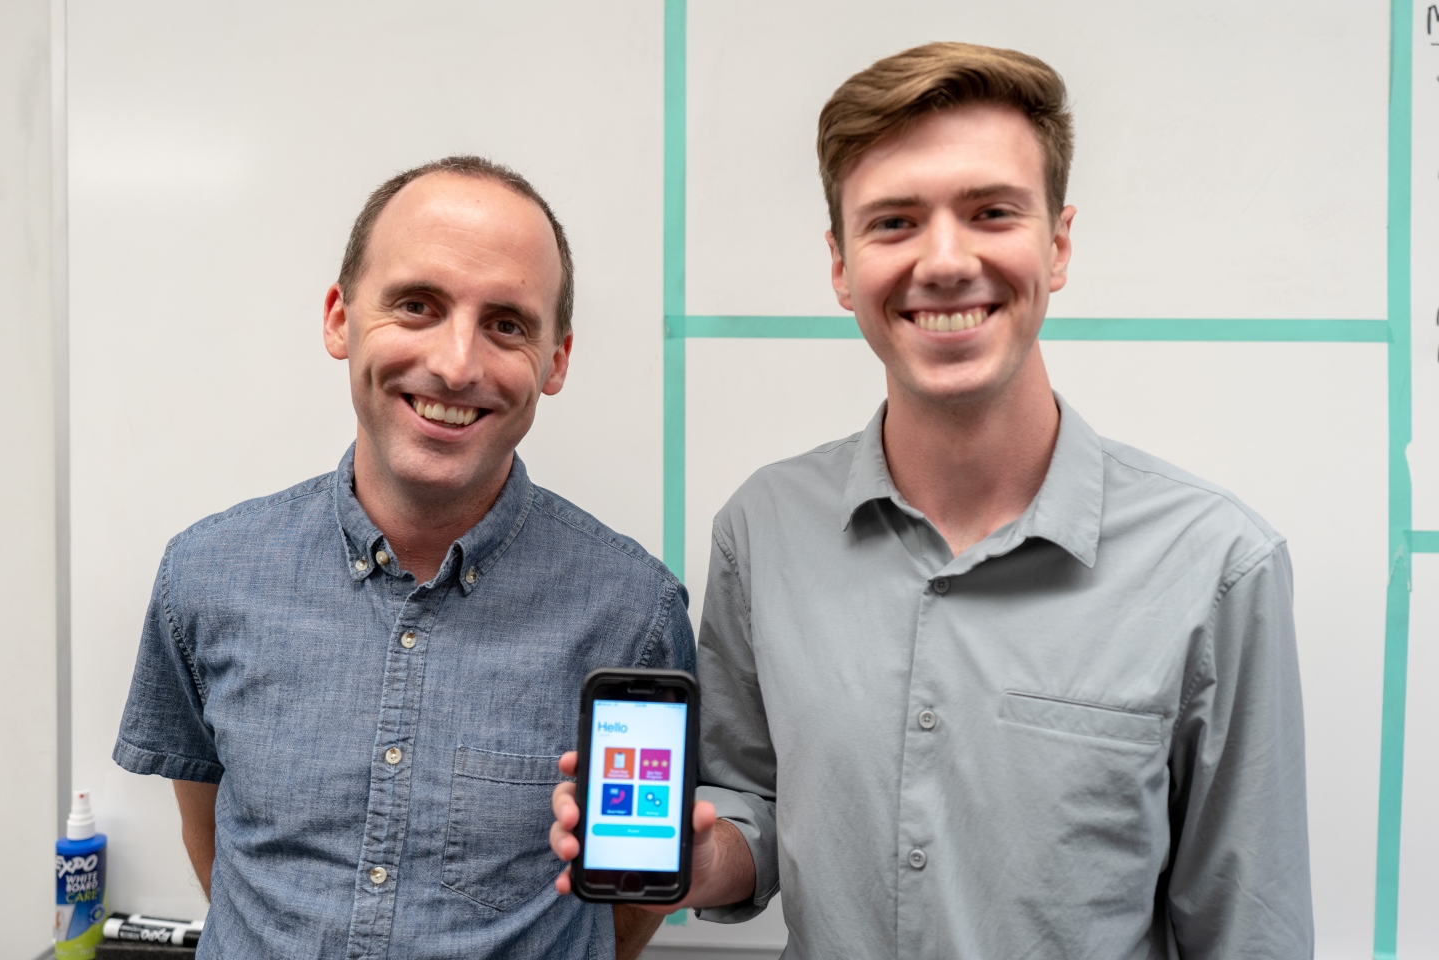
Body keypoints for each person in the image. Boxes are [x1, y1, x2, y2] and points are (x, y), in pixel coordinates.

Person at [551, 42, 1313, 958]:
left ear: (1058, 243)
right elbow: (751, 814)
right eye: (894, 223)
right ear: (840, 265)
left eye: (992, 212)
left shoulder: (1219, 568)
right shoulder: (762, 530)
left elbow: (1248, 931)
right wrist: (702, 855)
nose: (946, 262)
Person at [114, 155, 694, 959]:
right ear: (339, 319)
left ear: (555, 359)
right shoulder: (205, 577)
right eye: (417, 305)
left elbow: (626, 907)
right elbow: (212, 831)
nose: (457, 364)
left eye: (507, 324)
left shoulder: (635, 615)